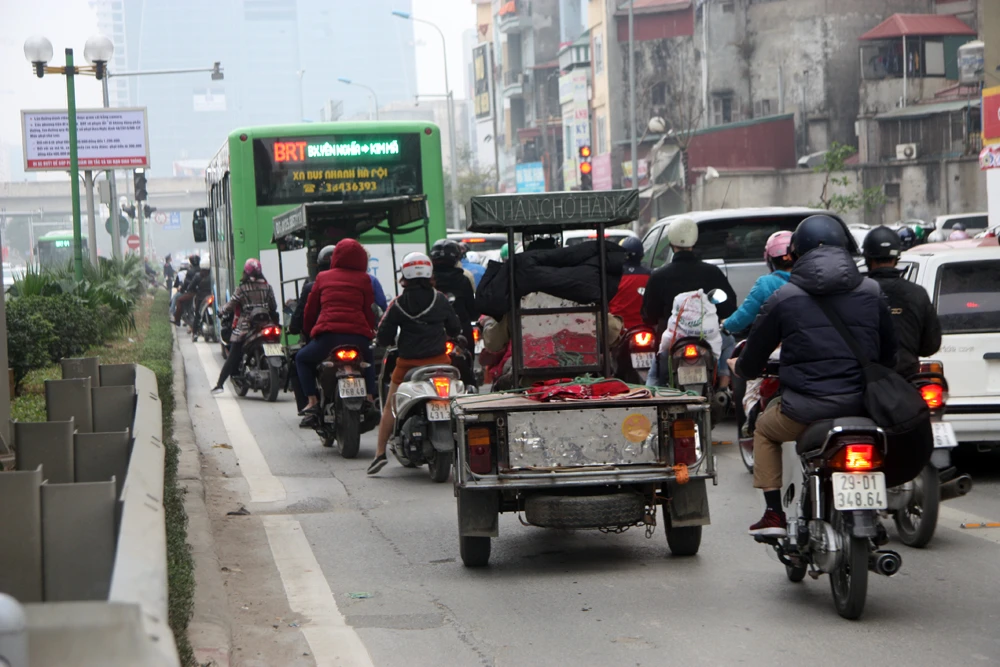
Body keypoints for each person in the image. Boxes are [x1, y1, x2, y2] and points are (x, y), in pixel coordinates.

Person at [731, 215, 897, 537]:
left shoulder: (783, 297)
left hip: (803, 410)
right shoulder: (873, 291)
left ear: (796, 253)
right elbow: (889, 356)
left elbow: (752, 363)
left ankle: (774, 513)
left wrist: (740, 367)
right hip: (861, 406)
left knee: (764, 429)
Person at [369, 252, 462, 475]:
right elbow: (455, 328)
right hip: (441, 365)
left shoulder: (398, 304)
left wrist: (386, 340)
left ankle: (380, 453)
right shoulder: (439, 299)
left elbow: (383, 336)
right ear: (430, 272)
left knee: (391, 407)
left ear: (405, 275)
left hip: (408, 367)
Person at [641, 217, 738, 388]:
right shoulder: (712, 272)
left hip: (672, 343)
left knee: (655, 376)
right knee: (730, 342)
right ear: (694, 242)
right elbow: (729, 307)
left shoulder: (658, 276)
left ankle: (650, 402)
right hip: (707, 340)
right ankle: (724, 386)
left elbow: (649, 315)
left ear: (671, 244)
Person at [297, 239, 378, 416]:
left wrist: (310, 330)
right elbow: (369, 309)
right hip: (358, 337)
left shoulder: (323, 277)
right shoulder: (364, 279)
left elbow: (310, 311)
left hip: (328, 337)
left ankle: (312, 401)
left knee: (301, 359)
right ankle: (370, 397)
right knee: (369, 360)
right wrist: (370, 330)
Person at [863, 226, 941, 378]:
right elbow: (931, 346)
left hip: (869, 384)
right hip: (908, 381)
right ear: (896, 258)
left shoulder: (857, 294)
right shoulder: (917, 293)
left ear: (868, 259)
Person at [211, 259, 279, 394]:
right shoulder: (268, 287)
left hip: (246, 327)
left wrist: (220, 311)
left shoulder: (242, 289)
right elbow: (274, 306)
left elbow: (230, 306)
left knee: (234, 354)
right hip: (267, 324)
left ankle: (220, 384)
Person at [429, 239, 478, 345]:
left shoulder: (426, 281)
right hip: (461, 333)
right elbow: (472, 311)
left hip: (433, 335)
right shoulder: (463, 280)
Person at [609, 235, 650, 330]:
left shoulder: (612, 276)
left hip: (617, 329)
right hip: (644, 329)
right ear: (642, 256)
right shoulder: (650, 276)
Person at [173, 254, 201, 326]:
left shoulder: (190, 271)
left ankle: (177, 320)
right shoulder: (203, 270)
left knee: (179, 300)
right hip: (202, 293)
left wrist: (182, 289)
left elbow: (186, 284)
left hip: (192, 293)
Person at [189, 255, 214, 338]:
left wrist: (196, 291)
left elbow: (190, 287)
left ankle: (195, 333)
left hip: (200, 299)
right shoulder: (212, 275)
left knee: (197, 315)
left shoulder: (197, 276)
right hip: (211, 298)